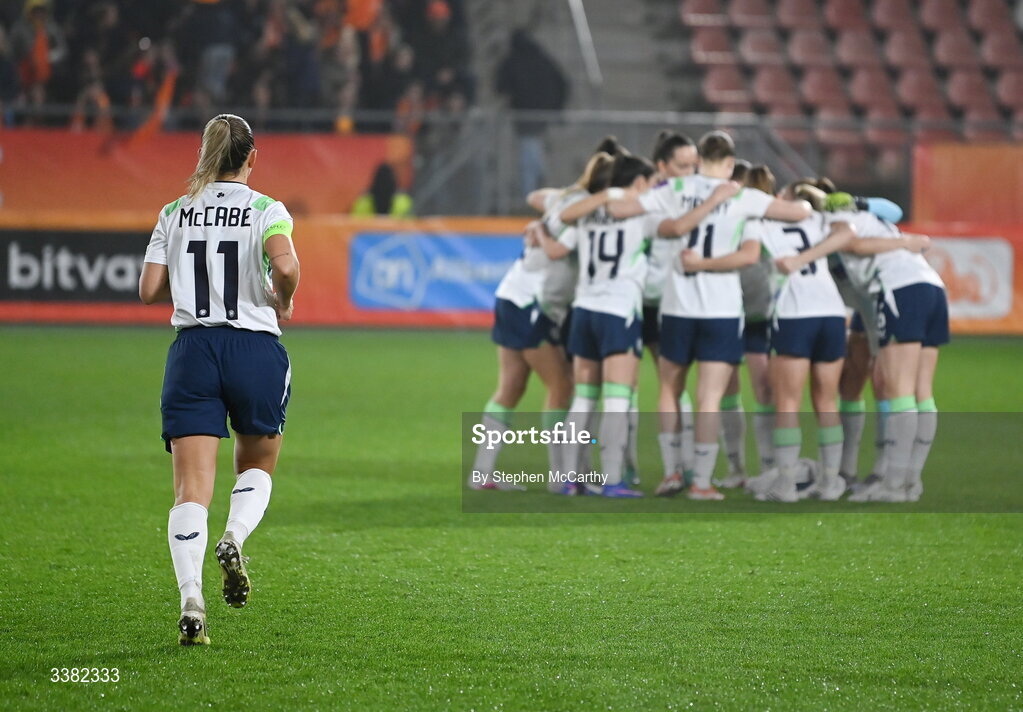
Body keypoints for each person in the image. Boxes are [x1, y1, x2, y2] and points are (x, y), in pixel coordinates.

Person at [139, 114, 300, 646]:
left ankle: (192, 598)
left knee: (190, 489)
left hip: (193, 351)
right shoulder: (265, 209)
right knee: (257, 461)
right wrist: (285, 297)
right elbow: (288, 266)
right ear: (252, 158)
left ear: (204, 156)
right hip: (253, 346)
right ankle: (234, 536)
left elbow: (148, 289)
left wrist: (191, 288)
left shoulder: (175, 211)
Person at [469, 149, 615, 493]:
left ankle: (483, 473)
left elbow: (533, 195)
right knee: (562, 386)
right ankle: (560, 476)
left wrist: (539, 222)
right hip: (533, 303)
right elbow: (557, 252)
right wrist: (546, 233)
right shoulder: (585, 212)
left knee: (512, 386)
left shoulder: (566, 198)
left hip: (512, 293)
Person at [705, 180, 855, 502]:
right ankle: (830, 483)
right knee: (827, 401)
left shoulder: (758, 223)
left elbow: (748, 255)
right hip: (832, 312)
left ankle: (786, 485)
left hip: (794, 313)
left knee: (787, 402)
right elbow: (847, 234)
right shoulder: (815, 219)